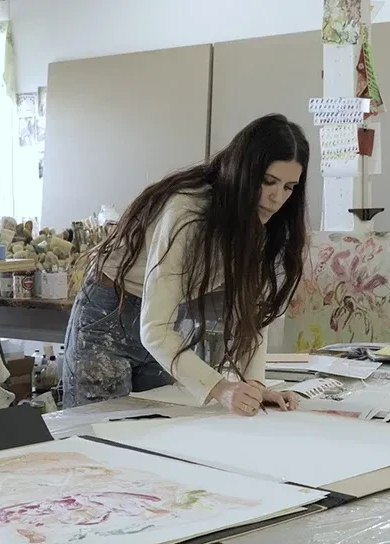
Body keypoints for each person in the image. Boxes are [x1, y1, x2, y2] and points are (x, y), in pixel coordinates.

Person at [62, 114, 308, 415]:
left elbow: (251, 313)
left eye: (289, 187)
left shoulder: (262, 222)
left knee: (157, 431)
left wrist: (254, 385)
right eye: (268, 181)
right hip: (109, 312)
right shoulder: (189, 210)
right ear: (244, 170)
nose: (276, 197)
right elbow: (154, 330)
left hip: (166, 321)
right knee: (100, 434)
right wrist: (221, 389)